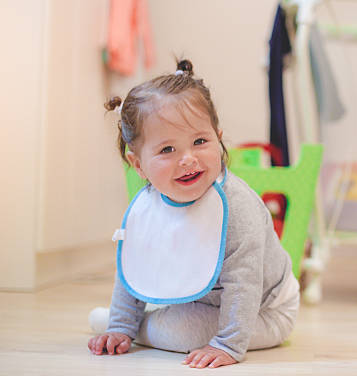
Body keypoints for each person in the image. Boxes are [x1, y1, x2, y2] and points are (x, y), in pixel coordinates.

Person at [87, 59, 300, 369]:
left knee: (179, 330)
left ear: (218, 137)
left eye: (200, 142)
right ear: (138, 164)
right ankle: (126, 324)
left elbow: (244, 284)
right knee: (173, 322)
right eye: (167, 150)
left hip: (262, 311)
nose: (188, 159)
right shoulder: (149, 206)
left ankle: (141, 327)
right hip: (198, 301)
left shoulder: (236, 207)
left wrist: (228, 344)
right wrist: (119, 326)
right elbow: (133, 268)